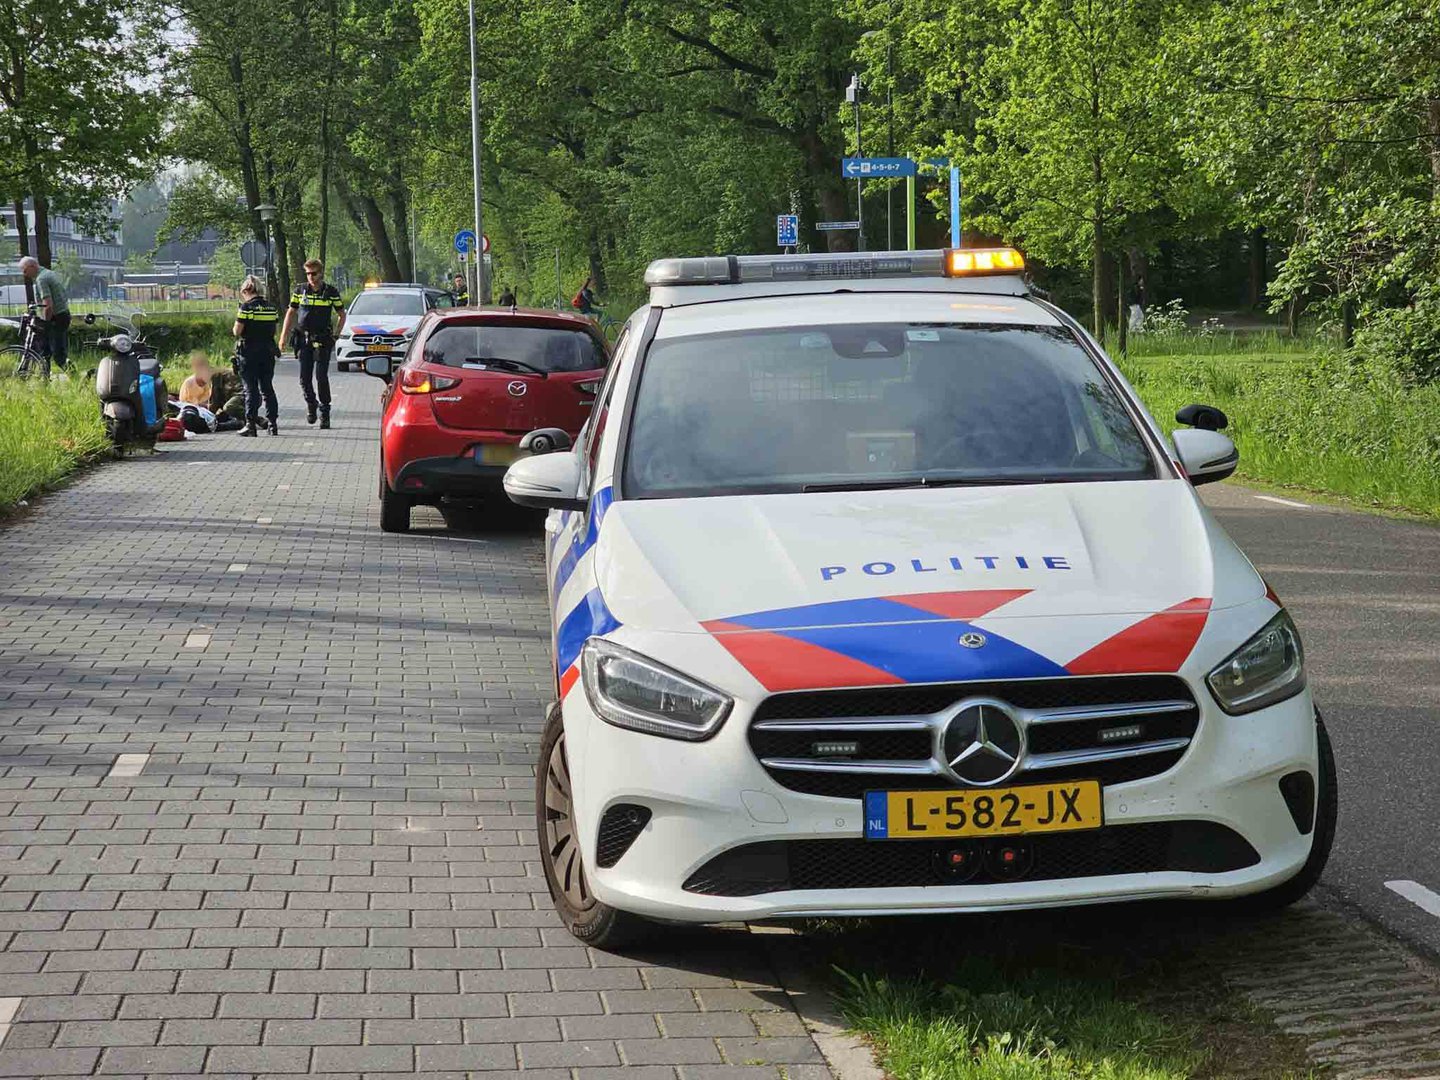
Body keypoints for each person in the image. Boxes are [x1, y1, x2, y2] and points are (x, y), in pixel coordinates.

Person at [278, 258, 344, 428]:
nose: (310, 277)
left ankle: (325, 412)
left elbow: (342, 314)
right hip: (303, 339)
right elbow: (291, 313)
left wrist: (336, 335)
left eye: (313, 273)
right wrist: (283, 337)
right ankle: (311, 404)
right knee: (304, 379)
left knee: (321, 377)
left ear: (321, 273)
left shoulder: (330, 292)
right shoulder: (300, 290)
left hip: (323, 338)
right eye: (307, 273)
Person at [233, 275, 281, 437]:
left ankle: (250, 425)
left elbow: (237, 331)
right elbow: (273, 328)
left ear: (247, 290)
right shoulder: (271, 307)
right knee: (268, 389)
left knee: (251, 390)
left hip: (249, 352)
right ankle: (273, 424)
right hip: (267, 351)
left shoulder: (246, 308)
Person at [18, 257, 70, 370]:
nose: (25, 274)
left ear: (32, 266)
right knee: (45, 350)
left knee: (58, 355)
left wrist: (45, 323)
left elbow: (48, 305)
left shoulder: (41, 279)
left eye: (25, 270)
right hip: (63, 314)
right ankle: (45, 378)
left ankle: (75, 377)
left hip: (56, 318)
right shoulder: (49, 273)